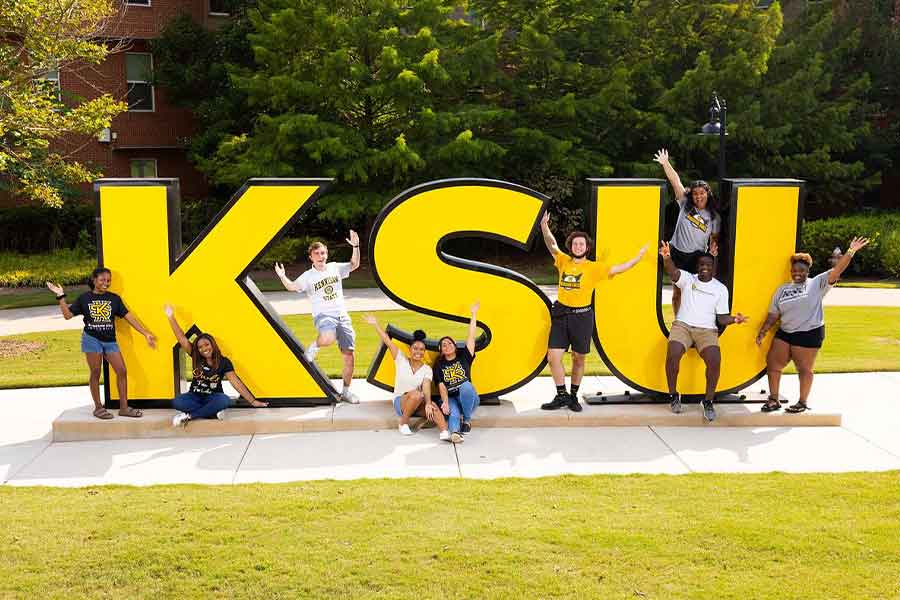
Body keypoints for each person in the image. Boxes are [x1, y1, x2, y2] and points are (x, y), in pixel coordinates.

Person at [539, 212, 647, 412]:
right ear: (571, 246)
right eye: (575, 244)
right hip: (561, 314)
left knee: (578, 358)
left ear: (587, 248)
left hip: (582, 316)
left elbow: (618, 269)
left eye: (582, 244)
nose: (578, 247)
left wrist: (637, 258)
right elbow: (552, 244)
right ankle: (561, 395)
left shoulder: (594, 268)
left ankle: (573, 396)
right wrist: (545, 227)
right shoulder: (563, 261)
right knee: (553, 357)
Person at [756, 237, 870, 414]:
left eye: (801, 270)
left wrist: (851, 251)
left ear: (808, 271)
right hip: (785, 331)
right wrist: (763, 330)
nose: (797, 273)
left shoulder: (817, 283)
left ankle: (802, 402)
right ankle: (773, 399)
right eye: (794, 270)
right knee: (773, 364)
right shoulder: (782, 289)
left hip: (809, 332)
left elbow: (837, 269)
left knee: (804, 369)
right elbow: (773, 314)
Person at [46, 268, 156, 419]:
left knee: (122, 371)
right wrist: (60, 296)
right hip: (91, 339)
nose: (106, 283)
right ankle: (98, 408)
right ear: (94, 280)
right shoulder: (85, 298)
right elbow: (67, 315)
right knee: (96, 372)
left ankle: (124, 407)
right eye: (102, 280)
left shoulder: (114, 299)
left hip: (109, 340)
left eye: (108, 280)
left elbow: (129, 317)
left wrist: (145, 333)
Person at [659, 241, 748, 422]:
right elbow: (673, 272)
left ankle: (708, 401)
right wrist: (667, 257)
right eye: (701, 265)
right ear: (697, 267)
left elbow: (722, 318)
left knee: (715, 361)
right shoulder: (688, 279)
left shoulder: (720, 289)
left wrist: (734, 319)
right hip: (683, 326)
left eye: (708, 265)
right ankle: (673, 395)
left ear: (713, 267)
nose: (704, 268)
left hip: (707, 330)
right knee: (673, 354)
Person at [275, 231, 361, 403]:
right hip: (323, 315)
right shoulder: (308, 276)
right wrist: (282, 276)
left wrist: (356, 246)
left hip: (342, 316)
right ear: (311, 257)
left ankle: (346, 392)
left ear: (327, 254)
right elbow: (292, 287)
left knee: (349, 355)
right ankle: (314, 347)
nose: (321, 256)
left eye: (323, 253)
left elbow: (354, 264)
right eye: (317, 254)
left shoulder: (335, 267)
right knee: (327, 338)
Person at [164, 304, 268, 427]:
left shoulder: (224, 362)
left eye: (206, 345)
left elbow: (236, 383)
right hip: (194, 396)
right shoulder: (196, 357)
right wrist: (170, 317)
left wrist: (253, 401)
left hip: (213, 397)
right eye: (200, 347)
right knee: (177, 402)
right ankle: (212, 413)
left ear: (212, 345)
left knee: (224, 400)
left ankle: (189, 416)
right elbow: (182, 339)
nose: (204, 349)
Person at [654, 149, 721, 315]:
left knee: (693, 292)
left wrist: (713, 250)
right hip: (677, 253)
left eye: (702, 193)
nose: (698, 196)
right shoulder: (685, 203)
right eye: (696, 194)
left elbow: (714, 240)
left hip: (696, 256)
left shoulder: (714, 217)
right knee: (677, 293)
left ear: (708, 194)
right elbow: (675, 181)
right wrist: (665, 163)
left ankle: (691, 321)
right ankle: (678, 322)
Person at [363, 314, 450, 439]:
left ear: (424, 352)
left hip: (417, 401)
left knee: (433, 406)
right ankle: (403, 423)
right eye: (415, 348)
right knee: (416, 394)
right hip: (401, 402)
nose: (418, 352)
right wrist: (375, 324)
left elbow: (426, 388)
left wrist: (428, 404)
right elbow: (387, 341)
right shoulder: (401, 359)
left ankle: (444, 432)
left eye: (421, 350)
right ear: (410, 349)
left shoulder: (426, 369)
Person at [432, 302, 480, 444]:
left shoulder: (464, 357)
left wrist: (474, 314)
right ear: (441, 350)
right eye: (443, 345)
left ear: (455, 346)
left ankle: (467, 419)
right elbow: (441, 385)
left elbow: (471, 337)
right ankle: (455, 433)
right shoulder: (439, 364)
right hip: (451, 398)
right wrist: (445, 402)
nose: (447, 346)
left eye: (449, 343)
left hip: (468, 398)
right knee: (453, 412)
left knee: (466, 386)